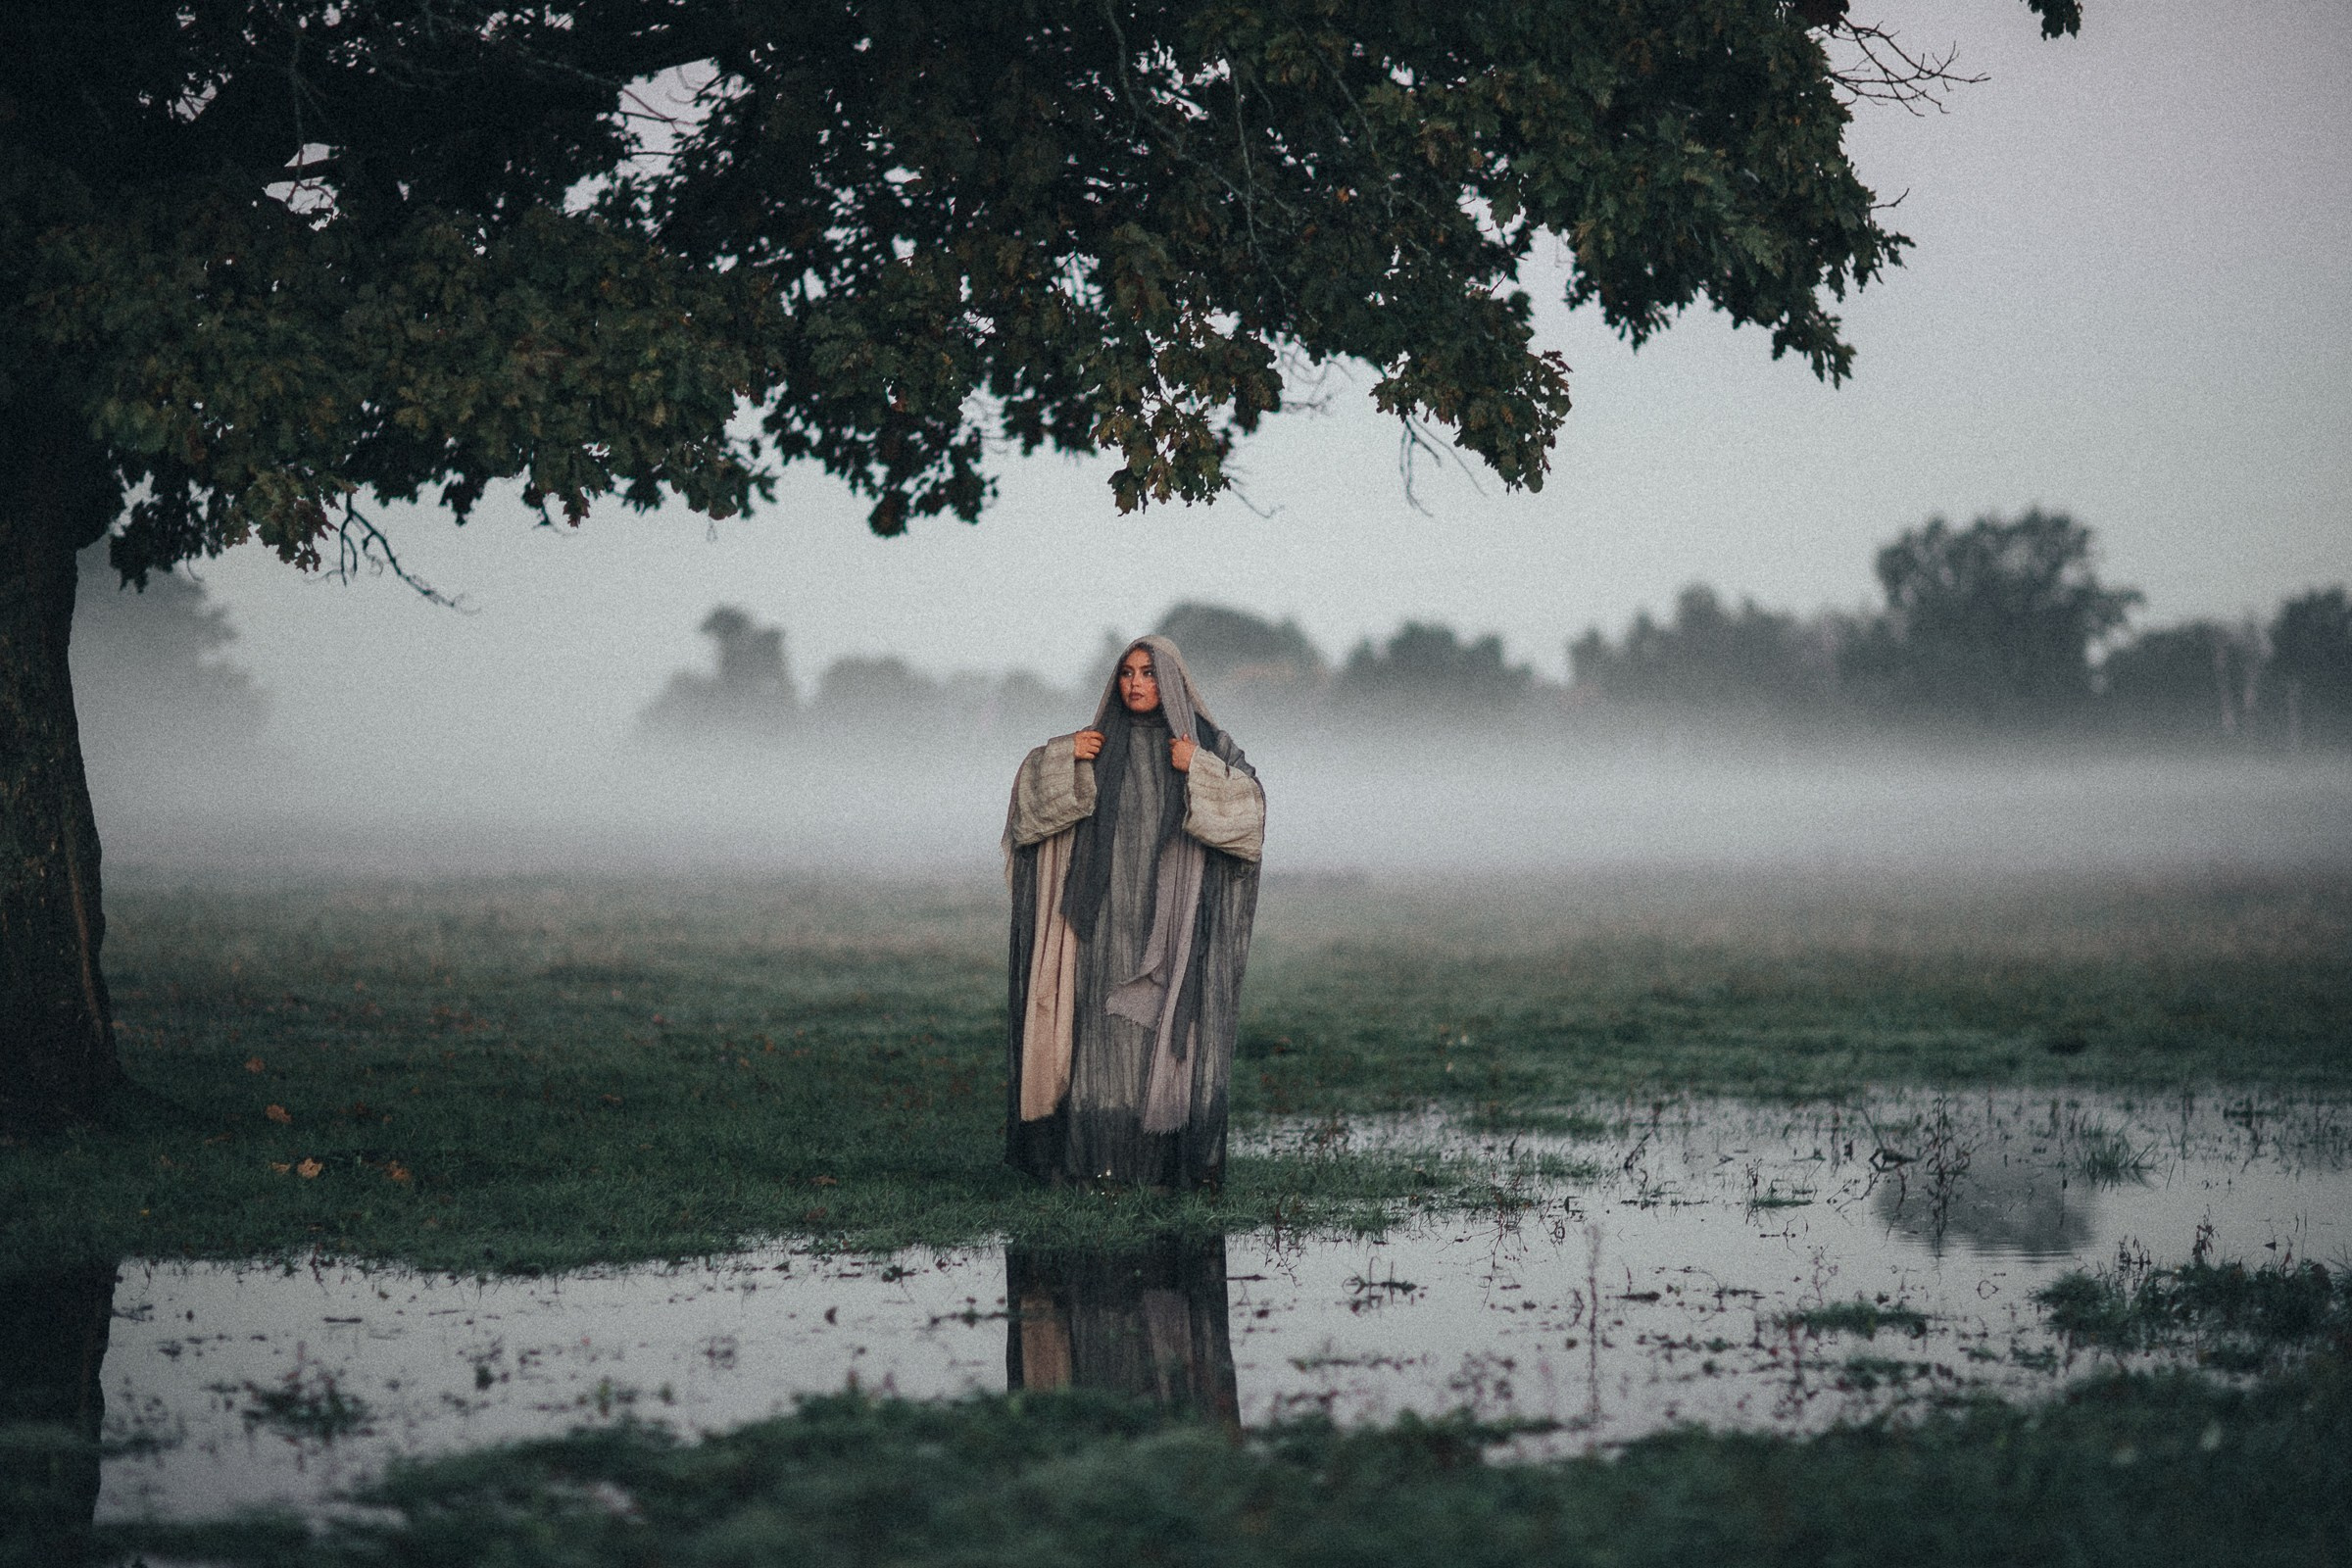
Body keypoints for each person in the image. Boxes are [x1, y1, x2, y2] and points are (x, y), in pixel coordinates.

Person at [1002, 637, 1265, 1188]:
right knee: (1100, 1038)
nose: (1135, 684)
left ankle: (1163, 1164)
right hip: (1100, 919)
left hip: (1173, 919)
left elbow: (1250, 816)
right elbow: (1028, 806)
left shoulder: (1208, 743)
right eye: (1126, 673)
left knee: (1161, 1036)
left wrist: (1200, 769)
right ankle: (1096, 1161)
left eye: (1148, 673)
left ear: (1171, 682)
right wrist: (1064, 757)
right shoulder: (1095, 743)